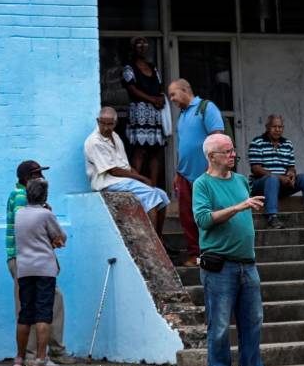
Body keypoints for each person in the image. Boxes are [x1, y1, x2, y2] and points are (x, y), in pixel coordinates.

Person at [192, 133, 279, 366]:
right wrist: (239, 207)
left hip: (247, 264)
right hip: (220, 267)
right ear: (212, 156)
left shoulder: (241, 180)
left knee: (252, 325)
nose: (233, 155)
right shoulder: (202, 184)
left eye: (233, 150)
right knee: (219, 327)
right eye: (227, 151)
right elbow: (203, 220)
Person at [6, 161, 75, 366]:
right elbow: (33, 231)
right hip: (25, 258)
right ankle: (35, 355)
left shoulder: (23, 197)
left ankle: (43, 352)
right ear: (27, 178)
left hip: (26, 258)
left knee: (37, 304)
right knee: (33, 307)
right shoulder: (22, 197)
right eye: (37, 174)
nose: (41, 178)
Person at [84, 107, 170, 239]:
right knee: (150, 195)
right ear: (97, 121)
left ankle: (159, 239)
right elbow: (113, 170)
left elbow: (125, 166)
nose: (106, 128)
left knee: (162, 195)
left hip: (121, 180)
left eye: (109, 124)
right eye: (103, 123)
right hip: (107, 182)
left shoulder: (115, 136)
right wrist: (141, 178)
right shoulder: (94, 141)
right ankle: (152, 241)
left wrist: (140, 179)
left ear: (115, 123)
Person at [169, 79, 225, 267]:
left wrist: (214, 169)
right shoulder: (182, 115)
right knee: (187, 217)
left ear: (185, 90)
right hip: (184, 175)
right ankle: (196, 255)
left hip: (205, 174)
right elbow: (182, 147)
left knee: (208, 216)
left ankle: (213, 254)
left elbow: (218, 139)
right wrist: (177, 173)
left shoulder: (206, 108)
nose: (171, 99)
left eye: (173, 94)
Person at [13, 178, 66, 366]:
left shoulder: (19, 214)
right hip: (44, 269)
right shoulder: (45, 215)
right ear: (44, 196)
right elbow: (61, 236)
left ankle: (19, 358)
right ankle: (41, 359)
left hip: (24, 268)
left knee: (25, 314)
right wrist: (50, 213)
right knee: (43, 313)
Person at [248, 114, 304, 230]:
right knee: (272, 179)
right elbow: (256, 169)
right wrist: (278, 177)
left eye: (280, 127)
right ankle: (272, 217)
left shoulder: (287, 144)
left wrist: (291, 174)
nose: (277, 130)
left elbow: (291, 167)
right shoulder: (257, 142)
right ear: (267, 127)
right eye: (274, 127)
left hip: (281, 184)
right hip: (261, 186)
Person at [122, 36, 166, 187]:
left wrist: (160, 97)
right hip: (139, 115)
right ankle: (137, 187)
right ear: (133, 48)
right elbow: (132, 89)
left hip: (154, 115)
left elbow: (159, 85)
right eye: (138, 44)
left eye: (145, 43)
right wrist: (151, 99)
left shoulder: (152, 67)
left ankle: (153, 186)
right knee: (139, 150)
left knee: (155, 151)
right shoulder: (129, 68)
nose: (142, 46)